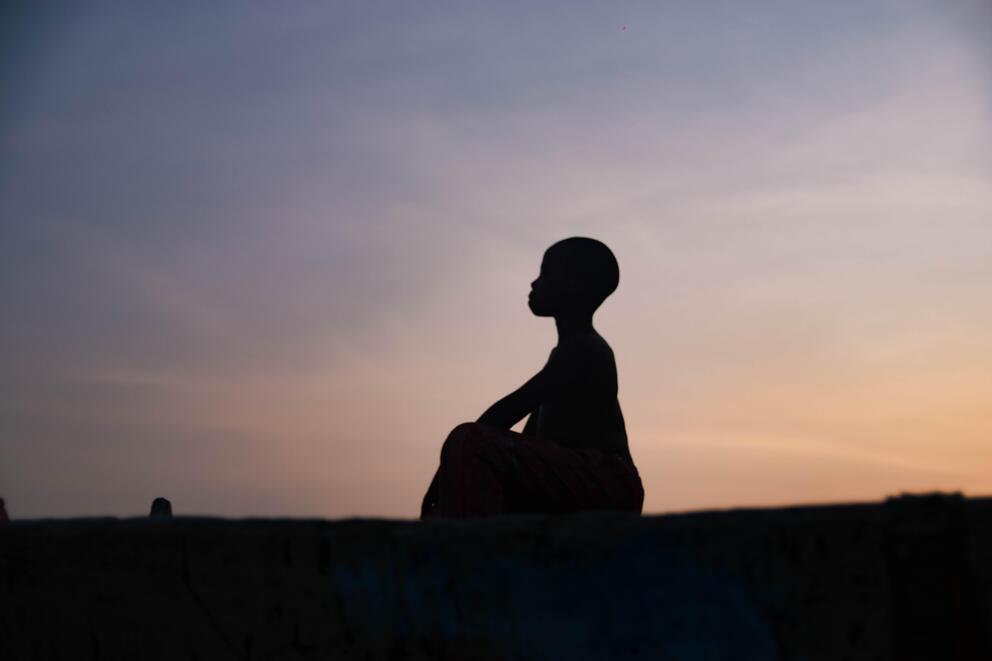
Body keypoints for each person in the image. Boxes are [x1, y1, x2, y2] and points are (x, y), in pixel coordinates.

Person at [420, 237, 644, 518]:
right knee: (480, 460)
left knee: (470, 440)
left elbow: (505, 413)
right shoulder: (565, 354)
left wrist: (447, 469)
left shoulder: (585, 349)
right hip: (581, 478)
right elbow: (524, 441)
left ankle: (470, 550)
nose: (534, 283)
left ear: (575, 285)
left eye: (546, 273)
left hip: (605, 482)